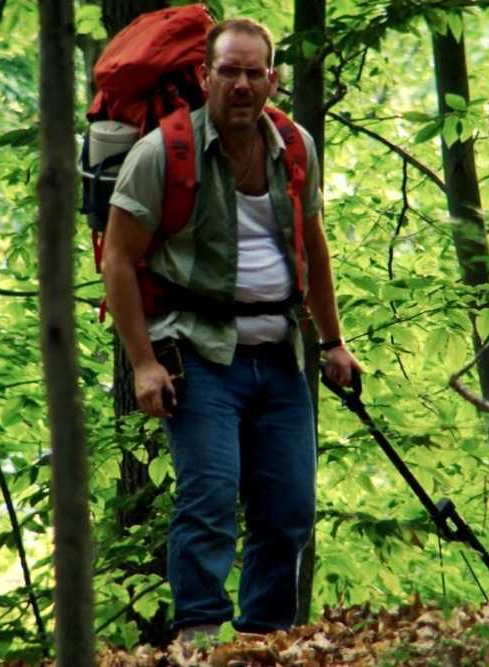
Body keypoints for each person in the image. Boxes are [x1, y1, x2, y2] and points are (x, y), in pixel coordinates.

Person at [101, 16, 360, 640]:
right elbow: (116, 258)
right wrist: (142, 363)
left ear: (271, 79)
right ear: (203, 75)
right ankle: (199, 638)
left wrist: (333, 341)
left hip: (280, 355)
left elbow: (314, 245)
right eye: (228, 72)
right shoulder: (163, 153)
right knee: (210, 501)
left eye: (253, 72)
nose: (241, 84)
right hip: (200, 353)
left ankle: (263, 640)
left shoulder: (294, 146)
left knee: (289, 511)